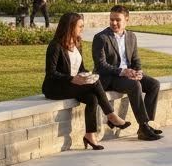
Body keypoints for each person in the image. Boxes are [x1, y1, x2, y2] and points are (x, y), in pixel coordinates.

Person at [43, 12, 132, 150]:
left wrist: (86, 75)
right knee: (95, 84)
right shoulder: (55, 46)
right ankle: (111, 115)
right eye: (80, 26)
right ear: (70, 27)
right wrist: (72, 79)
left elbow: (81, 67)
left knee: (92, 98)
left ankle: (90, 135)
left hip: (74, 84)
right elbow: (51, 73)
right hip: (56, 87)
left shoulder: (77, 43)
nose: (82, 29)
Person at [92, 5, 162, 141]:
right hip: (109, 77)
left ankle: (148, 124)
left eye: (118, 20)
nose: (114, 23)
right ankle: (144, 126)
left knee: (154, 84)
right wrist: (123, 72)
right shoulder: (101, 38)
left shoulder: (131, 37)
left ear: (127, 20)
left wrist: (138, 72)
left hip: (127, 75)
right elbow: (101, 65)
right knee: (135, 86)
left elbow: (135, 59)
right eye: (111, 19)